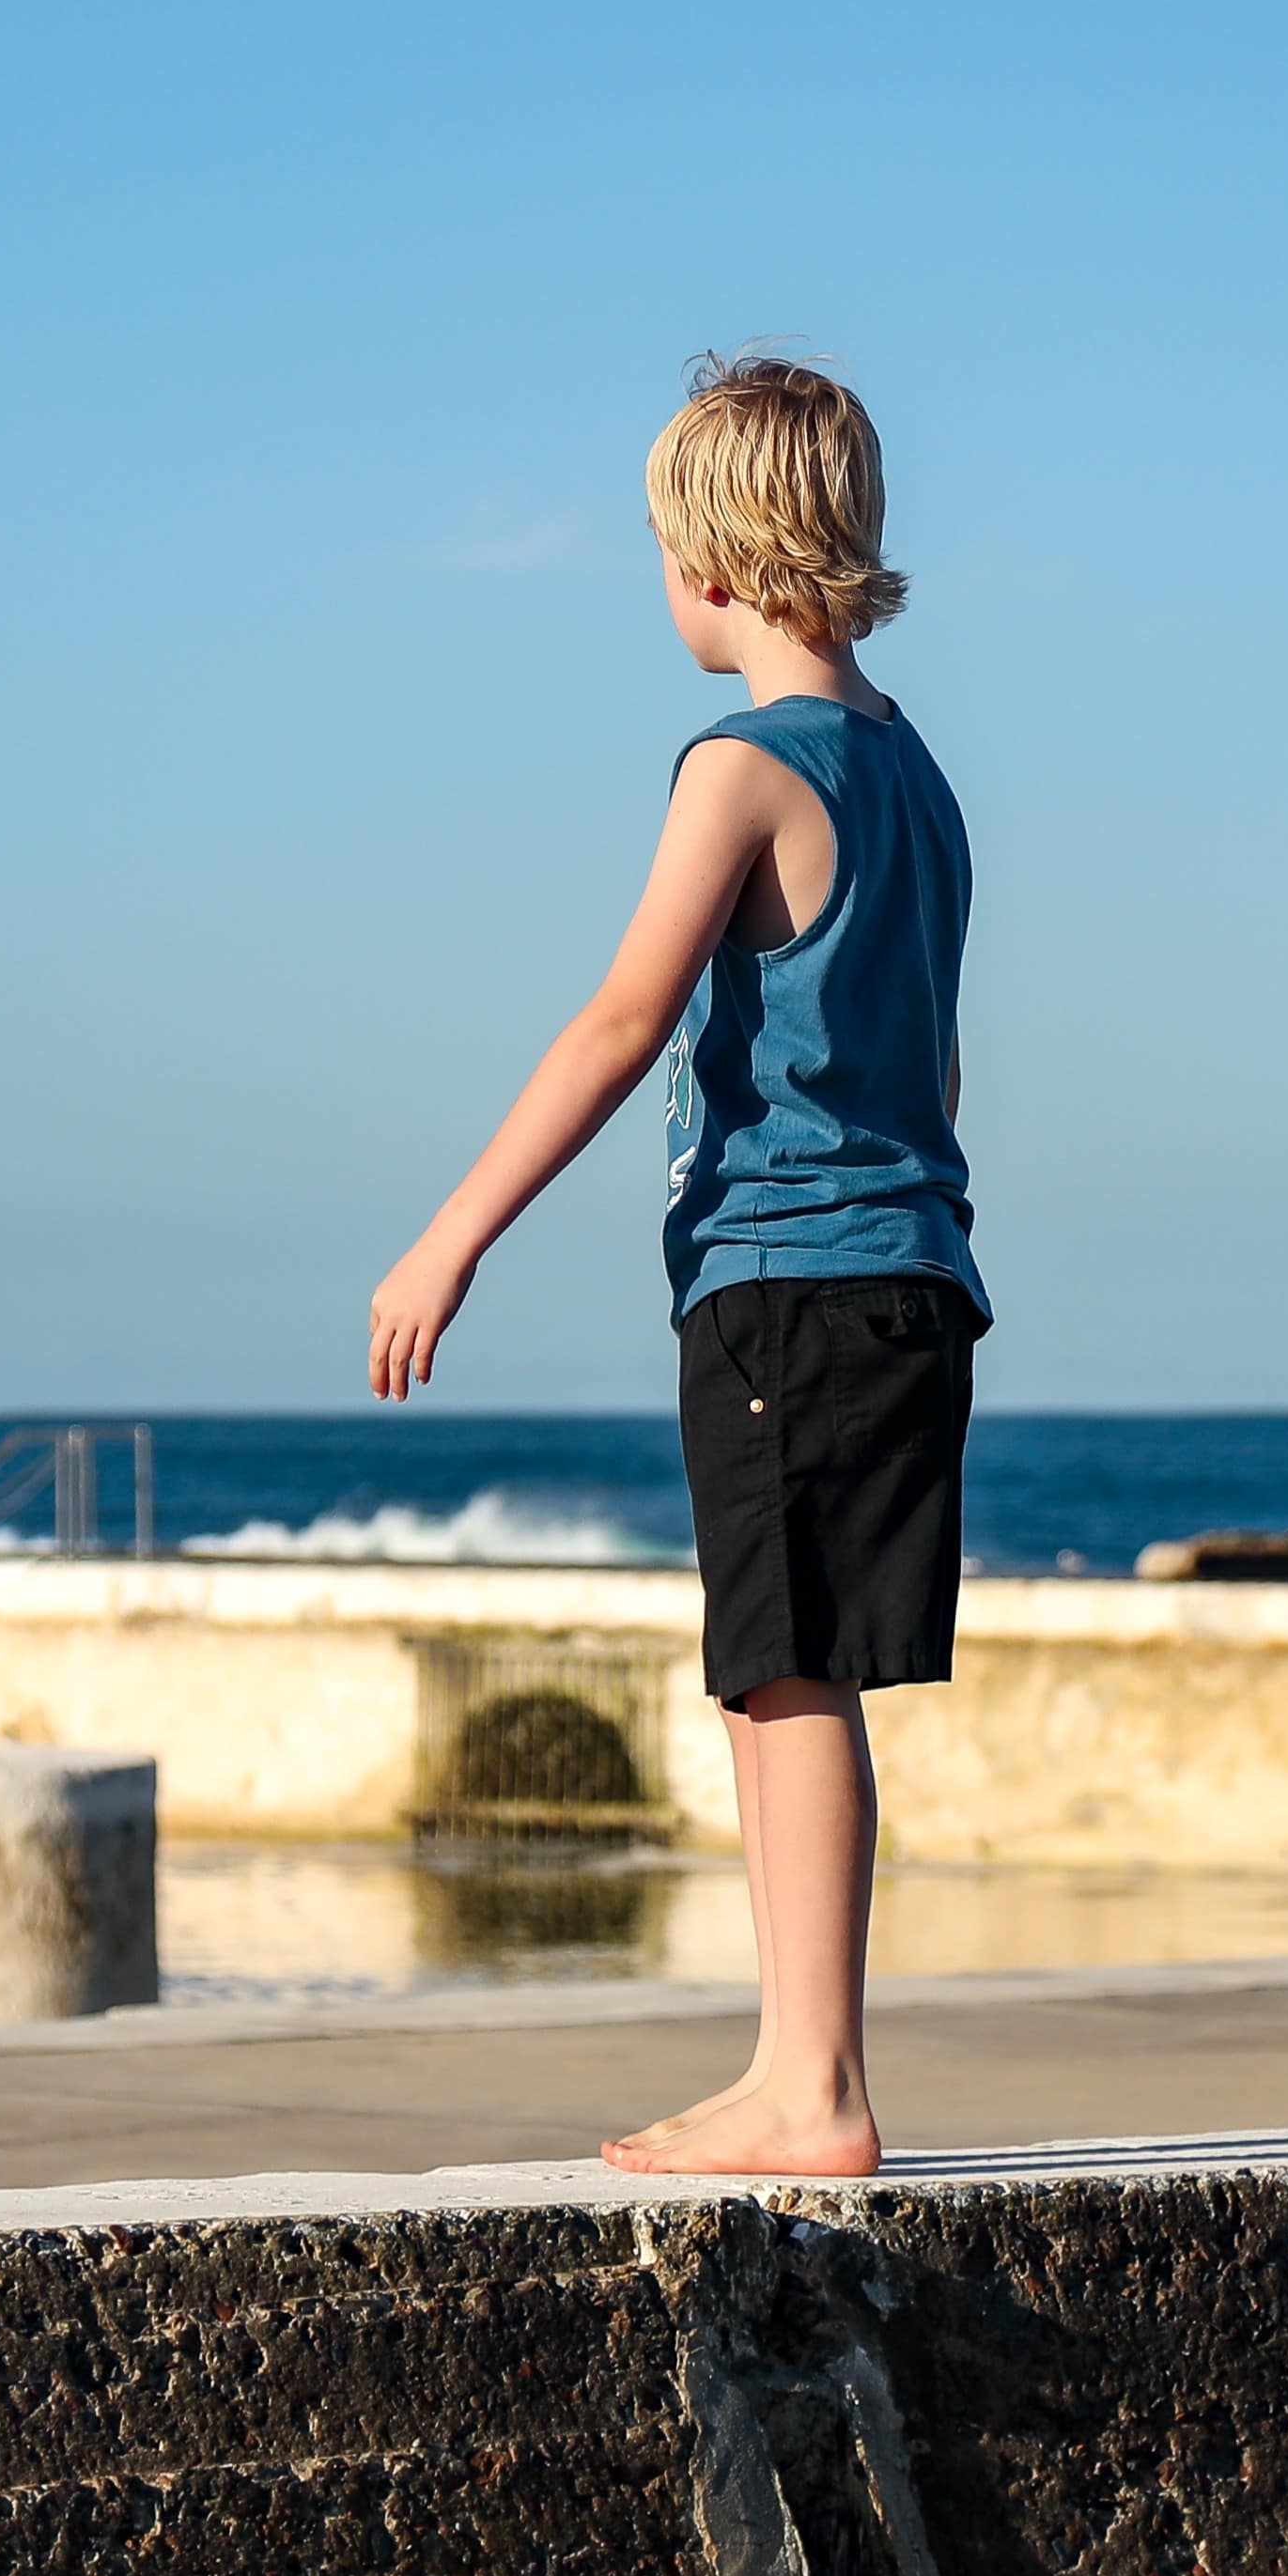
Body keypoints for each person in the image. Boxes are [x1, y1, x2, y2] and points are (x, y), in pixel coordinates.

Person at [366, 349, 981, 2180]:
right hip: (911, 1262)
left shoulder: (741, 767)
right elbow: (931, 1058)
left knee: (783, 1674)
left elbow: (622, 1017)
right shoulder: (915, 775)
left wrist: (447, 1235)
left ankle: (813, 2084)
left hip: (784, 1269)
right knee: (790, 1674)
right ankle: (796, 2066)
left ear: (711, 561)